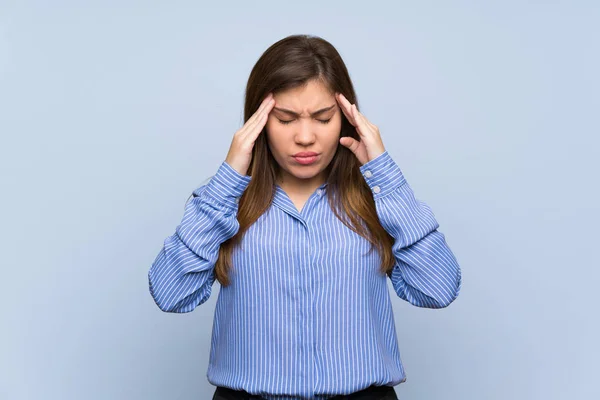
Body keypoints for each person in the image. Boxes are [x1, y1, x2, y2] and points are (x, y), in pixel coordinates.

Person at [147, 34, 462, 400]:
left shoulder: (377, 201)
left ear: (346, 119)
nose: (306, 137)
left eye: (323, 118)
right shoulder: (225, 203)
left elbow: (439, 289)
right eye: (286, 119)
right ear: (259, 122)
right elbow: (170, 294)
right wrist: (228, 178)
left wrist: (385, 175)